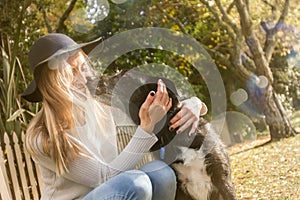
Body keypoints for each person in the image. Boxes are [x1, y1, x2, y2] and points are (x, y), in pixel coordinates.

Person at [21, 33, 207, 200]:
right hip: (103, 191)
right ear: (52, 83)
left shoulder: (101, 105)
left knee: (161, 174)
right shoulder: (43, 136)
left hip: (115, 192)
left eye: (84, 67)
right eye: (72, 72)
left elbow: (153, 99)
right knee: (136, 183)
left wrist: (195, 104)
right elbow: (104, 177)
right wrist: (146, 127)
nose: (83, 78)